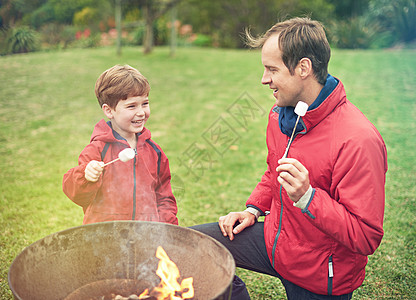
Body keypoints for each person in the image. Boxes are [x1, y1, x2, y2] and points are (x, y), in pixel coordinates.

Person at [191, 17, 387, 299]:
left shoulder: (358, 140)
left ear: (303, 68)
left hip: (320, 272)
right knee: (191, 245)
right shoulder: (281, 115)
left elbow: (365, 236)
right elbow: (274, 173)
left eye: (272, 69)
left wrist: (308, 197)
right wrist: (253, 211)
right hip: (276, 242)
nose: (263, 79)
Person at [63, 64, 178, 225]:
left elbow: (164, 198)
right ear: (109, 110)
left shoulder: (155, 152)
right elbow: (76, 194)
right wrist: (85, 175)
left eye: (144, 103)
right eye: (131, 106)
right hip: (105, 237)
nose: (141, 112)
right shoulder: (97, 151)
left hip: (146, 235)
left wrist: (167, 229)